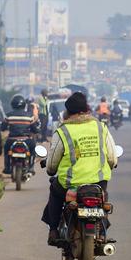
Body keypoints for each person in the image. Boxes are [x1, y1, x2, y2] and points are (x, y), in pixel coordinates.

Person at [41, 92, 119, 246]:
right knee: (103, 200)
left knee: (55, 192)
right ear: (87, 109)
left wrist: (51, 170)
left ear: (67, 112)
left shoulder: (63, 131)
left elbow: (51, 165)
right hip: (98, 183)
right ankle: (102, 231)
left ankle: (53, 230)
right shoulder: (100, 127)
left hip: (70, 185)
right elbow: (112, 157)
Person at [2, 94, 40, 174]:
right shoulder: (29, 115)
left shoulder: (8, 115)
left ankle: (7, 167)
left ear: (12, 104)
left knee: (6, 150)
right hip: (26, 140)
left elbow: (3, 128)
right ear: (24, 105)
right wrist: (36, 131)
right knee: (33, 149)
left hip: (12, 140)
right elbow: (34, 129)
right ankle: (31, 167)